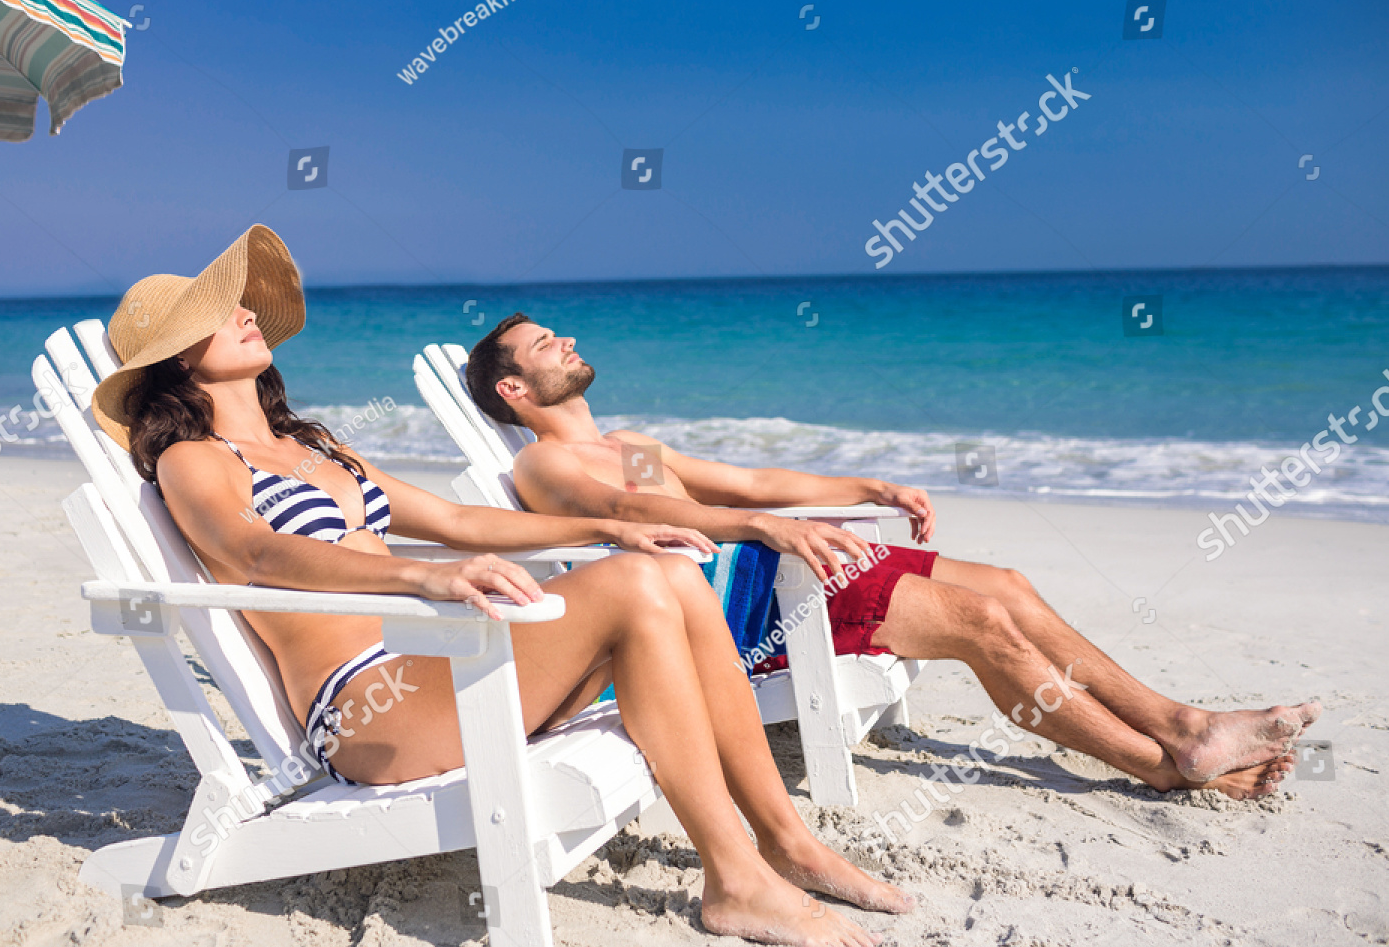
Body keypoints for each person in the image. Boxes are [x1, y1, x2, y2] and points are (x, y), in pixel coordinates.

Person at [90, 226, 916, 947]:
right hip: (373, 708)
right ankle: (735, 877)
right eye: (214, 310)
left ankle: (784, 841)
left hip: (440, 668)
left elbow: (453, 517)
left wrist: (610, 534)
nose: (244, 311)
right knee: (641, 580)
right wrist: (427, 575)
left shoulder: (316, 444)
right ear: (175, 359)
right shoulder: (195, 459)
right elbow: (260, 552)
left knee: (658, 568)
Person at [464, 313, 1320, 801]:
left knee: (1009, 585)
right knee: (983, 623)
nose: (566, 341)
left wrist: (865, 484)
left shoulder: (626, 441)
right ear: (515, 391)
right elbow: (629, 513)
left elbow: (750, 478)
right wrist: (764, 528)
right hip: (744, 611)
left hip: (778, 563)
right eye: (544, 345)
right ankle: (1164, 765)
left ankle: (1185, 726)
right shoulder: (545, 462)